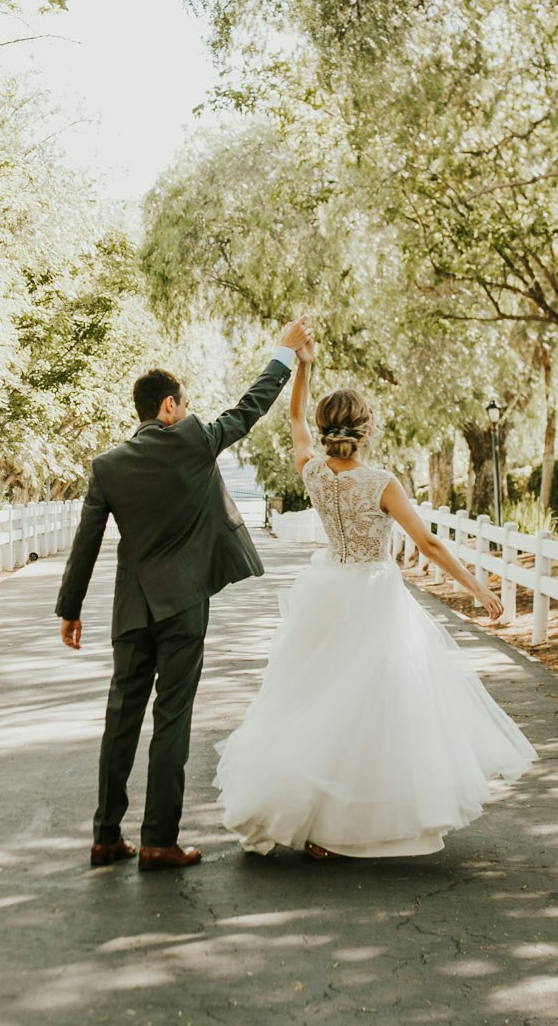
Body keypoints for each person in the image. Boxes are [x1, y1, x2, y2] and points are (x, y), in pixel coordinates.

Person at [214, 334, 536, 858]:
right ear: (364, 432)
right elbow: (427, 542)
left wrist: (304, 365)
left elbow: (293, 421)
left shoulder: (313, 471)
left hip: (325, 592)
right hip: (372, 597)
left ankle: (313, 819)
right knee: (369, 708)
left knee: (316, 701)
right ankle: (345, 825)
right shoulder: (381, 481)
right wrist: (476, 585)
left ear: (326, 431)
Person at [55, 317, 312, 871]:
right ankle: (157, 841)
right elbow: (251, 407)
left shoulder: (107, 466)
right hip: (184, 606)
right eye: (184, 401)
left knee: (121, 717)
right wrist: (284, 354)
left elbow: (86, 543)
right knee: (172, 718)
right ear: (169, 406)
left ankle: (104, 836)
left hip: (131, 608)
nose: (188, 409)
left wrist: (70, 610)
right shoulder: (195, 442)